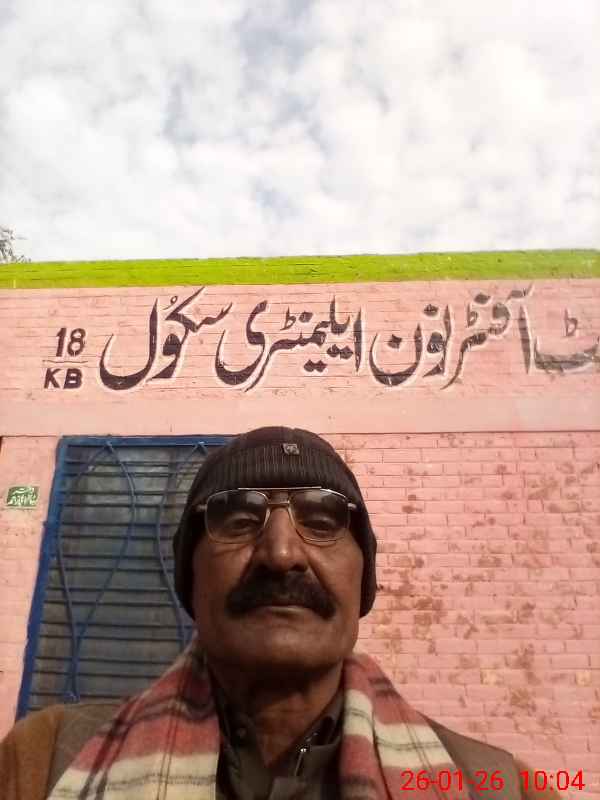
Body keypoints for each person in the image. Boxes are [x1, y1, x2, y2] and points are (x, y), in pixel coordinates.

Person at [0, 426, 559, 799]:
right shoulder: (42, 762)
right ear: (190, 577)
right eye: (239, 521)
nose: (281, 553)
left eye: (322, 522)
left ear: (363, 579)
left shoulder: (504, 787)